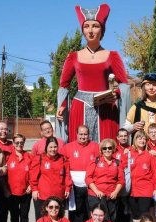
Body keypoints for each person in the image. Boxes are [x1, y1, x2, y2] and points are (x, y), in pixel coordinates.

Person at [56, 3, 131, 143]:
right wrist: (63, 106)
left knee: (107, 147)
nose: (90, 30)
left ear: (102, 30)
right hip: (80, 107)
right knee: (80, 148)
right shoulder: (73, 57)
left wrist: (116, 94)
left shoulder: (113, 56)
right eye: (86, 26)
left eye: (95, 26)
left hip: (106, 110)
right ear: (83, 30)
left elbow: (124, 85)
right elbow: (64, 86)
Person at [62, 125, 99, 222]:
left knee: (90, 209)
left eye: (85, 134)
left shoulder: (95, 146)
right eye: (81, 134)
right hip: (74, 184)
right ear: (76, 134)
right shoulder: (67, 147)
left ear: (89, 135)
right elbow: (64, 166)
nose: (83, 136)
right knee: (76, 210)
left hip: (91, 183)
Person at [30, 137, 72, 221]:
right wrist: (34, 189)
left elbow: (67, 174)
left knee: (58, 219)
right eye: (51, 147)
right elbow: (33, 175)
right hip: (43, 196)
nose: (53, 149)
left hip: (59, 194)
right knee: (42, 219)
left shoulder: (63, 159)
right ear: (46, 147)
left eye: (55, 147)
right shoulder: (40, 158)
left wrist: (68, 188)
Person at [127, 130, 156, 222]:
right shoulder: (129, 154)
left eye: (144, 138)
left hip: (146, 189)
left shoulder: (150, 155)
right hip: (132, 190)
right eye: (139, 138)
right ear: (135, 140)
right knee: (135, 214)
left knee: (144, 213)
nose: (142, 140)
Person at [125, 72, 156, 140]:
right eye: (148, 84)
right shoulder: (136, 107)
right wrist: (133, 127)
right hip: (141, 148)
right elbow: (125, 129)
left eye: (155, 85)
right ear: (143, 87)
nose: (151, 88)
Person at [85, 138, 124, 222]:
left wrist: (116, 192)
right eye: (105, 148)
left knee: (111, 220)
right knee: (97, 219)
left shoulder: (117, 162)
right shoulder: (95, 161)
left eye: (110, 148)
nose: (107, 150)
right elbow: (88, 178)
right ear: (101, 150)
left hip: (111, 195)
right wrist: (97, 191)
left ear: (113, 149)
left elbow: (121, 180)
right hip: (96, 195)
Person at [6, 134, 32, 222]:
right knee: (14, 215)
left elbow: (34, 173)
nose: (19, 145)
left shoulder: (29, 156)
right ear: (13, 143)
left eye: (21, 142)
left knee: (24, 215)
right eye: (17, 143)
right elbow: (4, 175)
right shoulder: (8, 157)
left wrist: (31, 185)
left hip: (26, 192)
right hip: (12, 193)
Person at [0, 122, 14, 222]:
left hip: (10, 181)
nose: (3, 131)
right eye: (1, 129)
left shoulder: (11, 144)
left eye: (5, 129)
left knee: (5, 211)